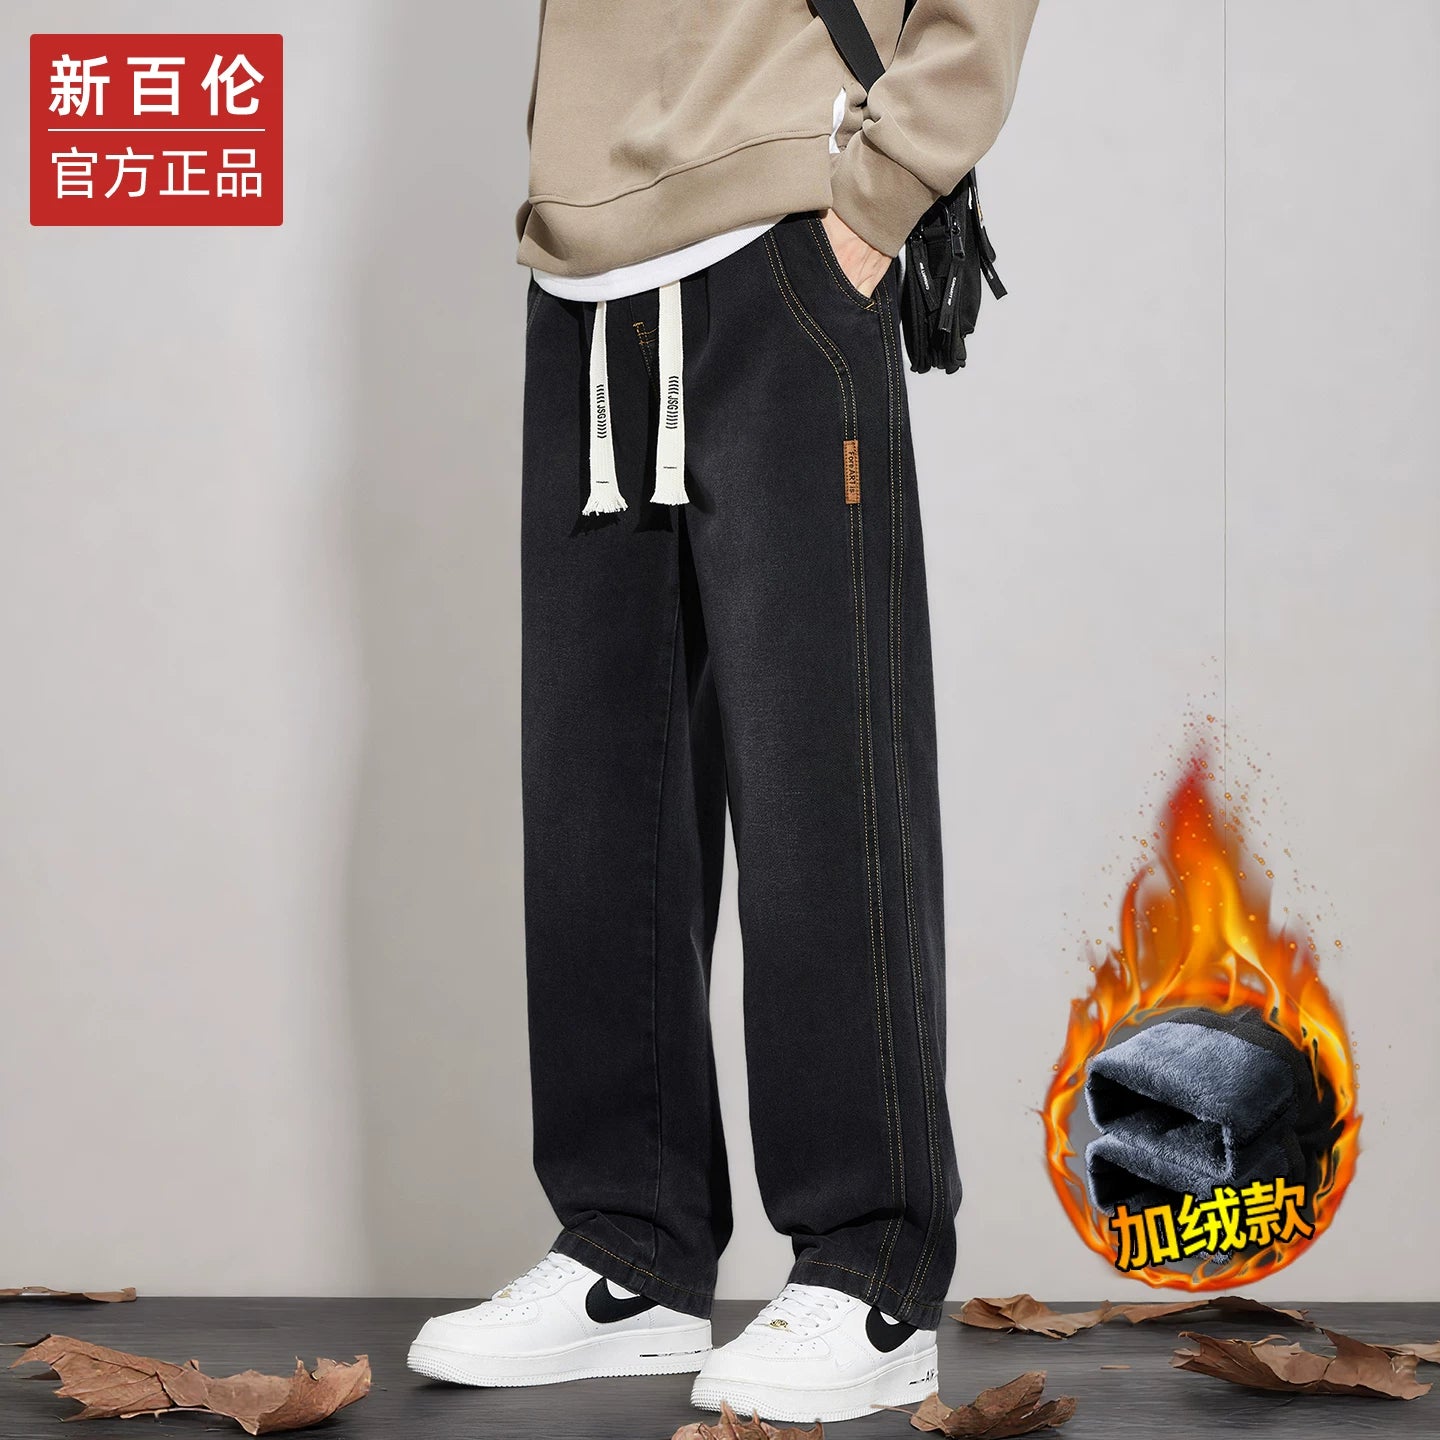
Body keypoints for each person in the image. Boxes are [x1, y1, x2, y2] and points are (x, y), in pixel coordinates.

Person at [409, 0, 1038, 1424]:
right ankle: (629, 1248)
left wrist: (881, 192)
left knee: (823, 775)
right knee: (596, 795)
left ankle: (872, 1264)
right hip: (585, 263)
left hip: (789, 240)